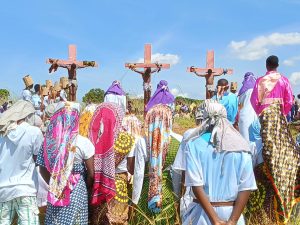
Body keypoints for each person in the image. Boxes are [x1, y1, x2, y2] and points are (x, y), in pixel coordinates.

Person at [182, 100, 257, 225]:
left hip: (202, 214)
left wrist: (215, 220)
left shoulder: (193, 145)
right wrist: (233, 220)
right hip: (233, 213)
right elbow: (246, 187)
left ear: (205, 118)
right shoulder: (242, 146)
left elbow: (196, 185)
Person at [249, 55, 300, 224]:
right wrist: (282, 113)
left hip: (266, 118)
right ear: (277, 65)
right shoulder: (284, 80)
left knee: (268, 144)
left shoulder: (260, 81)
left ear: (266, 65)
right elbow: (289, 100)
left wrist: (262, 112)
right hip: (278, 115)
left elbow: (254, 100)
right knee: (284, 143)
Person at [131, 81, 181, 224]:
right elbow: (177, 174)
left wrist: (134, 200)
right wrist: (176, 197)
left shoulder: (143, 141)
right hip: (167, 195)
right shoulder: (178, 141)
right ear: (170, 117)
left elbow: (139, 173)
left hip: (146, 194)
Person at [37, 102, 95, 224]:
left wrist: (54, 184)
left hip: (55, 191)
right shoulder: (83, 143)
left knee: (55, 221)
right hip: (77, 190)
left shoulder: (47, 142)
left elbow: (42, 168)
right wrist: (86, 187)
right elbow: (91, 174)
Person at [0, 100, 44, 225]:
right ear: (28, 116)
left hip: (3, 191)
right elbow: (38, 160)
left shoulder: (3, 133)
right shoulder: (34, 132)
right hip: (26, 190)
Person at [237, 72, 257, 141]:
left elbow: (239, 105)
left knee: (244, 140)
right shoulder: (257, 90)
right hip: (255, 116)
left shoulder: (243, 90)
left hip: (244, 116)